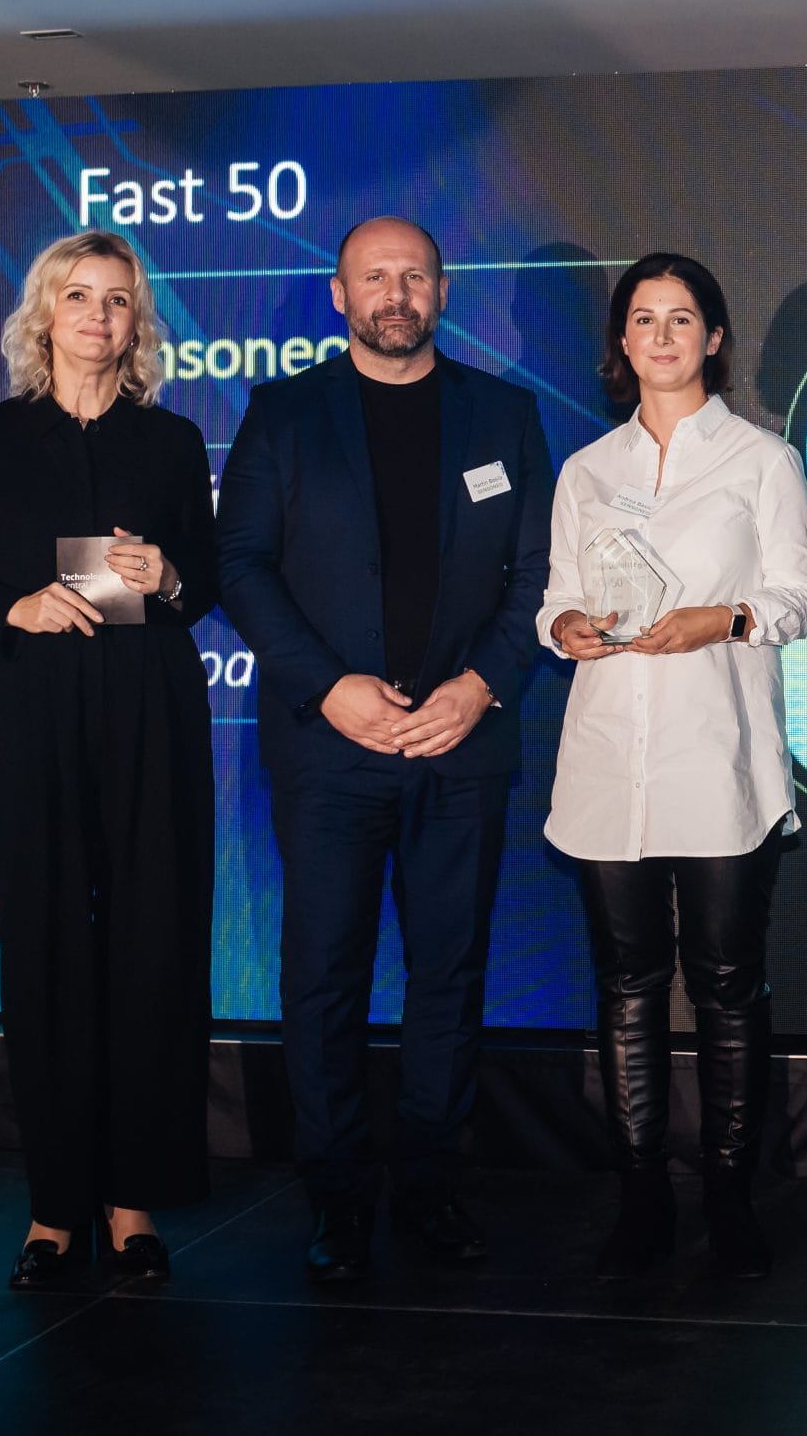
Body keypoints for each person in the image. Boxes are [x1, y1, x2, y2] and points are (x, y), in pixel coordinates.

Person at [217, 215, 551, 1282]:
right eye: (375, 276)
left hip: (461, 744)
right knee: (324, 978)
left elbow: (538, 577)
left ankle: (431, 1185)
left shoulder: (503, 414)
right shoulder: (282, 413)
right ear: (339, 294)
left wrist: (479, 686)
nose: (395, 292)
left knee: (448, 976)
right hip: (331, 750)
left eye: (413, 275)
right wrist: (330, 688)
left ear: (442, 292)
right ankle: (336, 1195)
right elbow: (240, 566)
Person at [0, 228, 218, 1293]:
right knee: (43, 950)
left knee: (152, 948)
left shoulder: (172, 441)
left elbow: (207, 581)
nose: (98, 315)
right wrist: (15, 608)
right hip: (29, 713)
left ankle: (134, 1203)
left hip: (150, 713)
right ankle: (53, 1207)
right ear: (44, 314)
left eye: (117, 299)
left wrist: (168, 574)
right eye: (79, 295)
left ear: (138, 324)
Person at [539, 254, 807, 1280]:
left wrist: (725, 618)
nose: (662, 335)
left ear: (713, 338)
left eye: (682, 318)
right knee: (627, 984)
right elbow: (556, 596)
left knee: (727, 982)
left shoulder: (762, 460)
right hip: (609, 758)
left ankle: (730, 1196)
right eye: (644, 318)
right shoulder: (586, 468)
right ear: (622, 341)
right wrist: (564, 624)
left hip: (720, 757)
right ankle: (642, 1195)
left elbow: (798, 595)